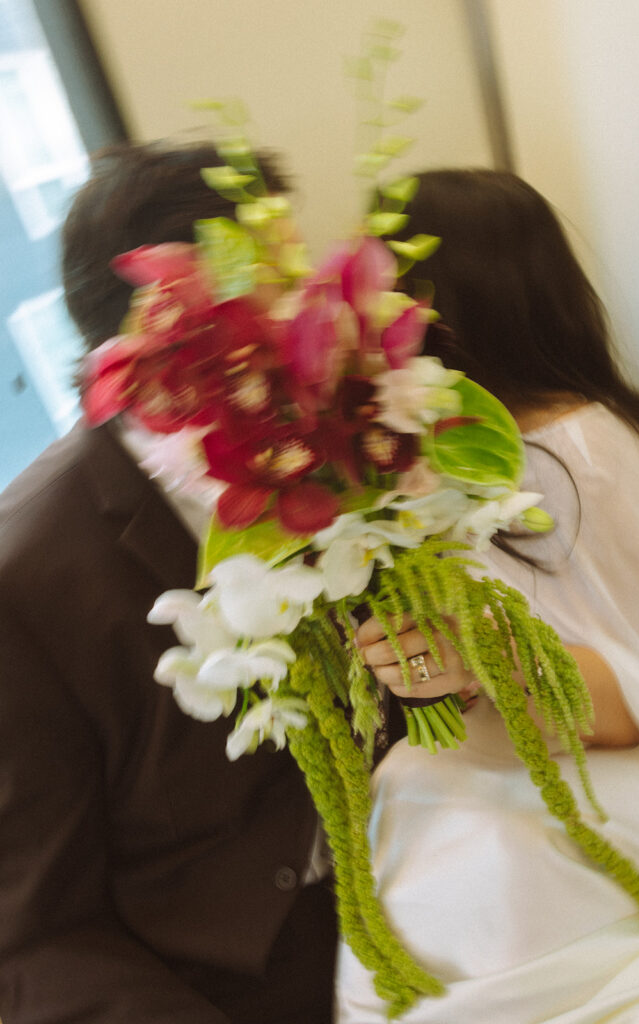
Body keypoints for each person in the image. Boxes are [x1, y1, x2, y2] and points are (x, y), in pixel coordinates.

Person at [335, 170, 639, 1022]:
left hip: (628, 753)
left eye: (390, 293)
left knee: (479, 890)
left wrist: (473, 664)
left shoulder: (585, 455)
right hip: (498, 750)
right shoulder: (439, 454)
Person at [0, 142, 341, 1024]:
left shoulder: (321, 451)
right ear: (169, 315)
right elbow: (38, 934)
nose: (314, 307)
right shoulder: (27, 580)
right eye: (282, 277)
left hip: (422, 856)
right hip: (239, 978)